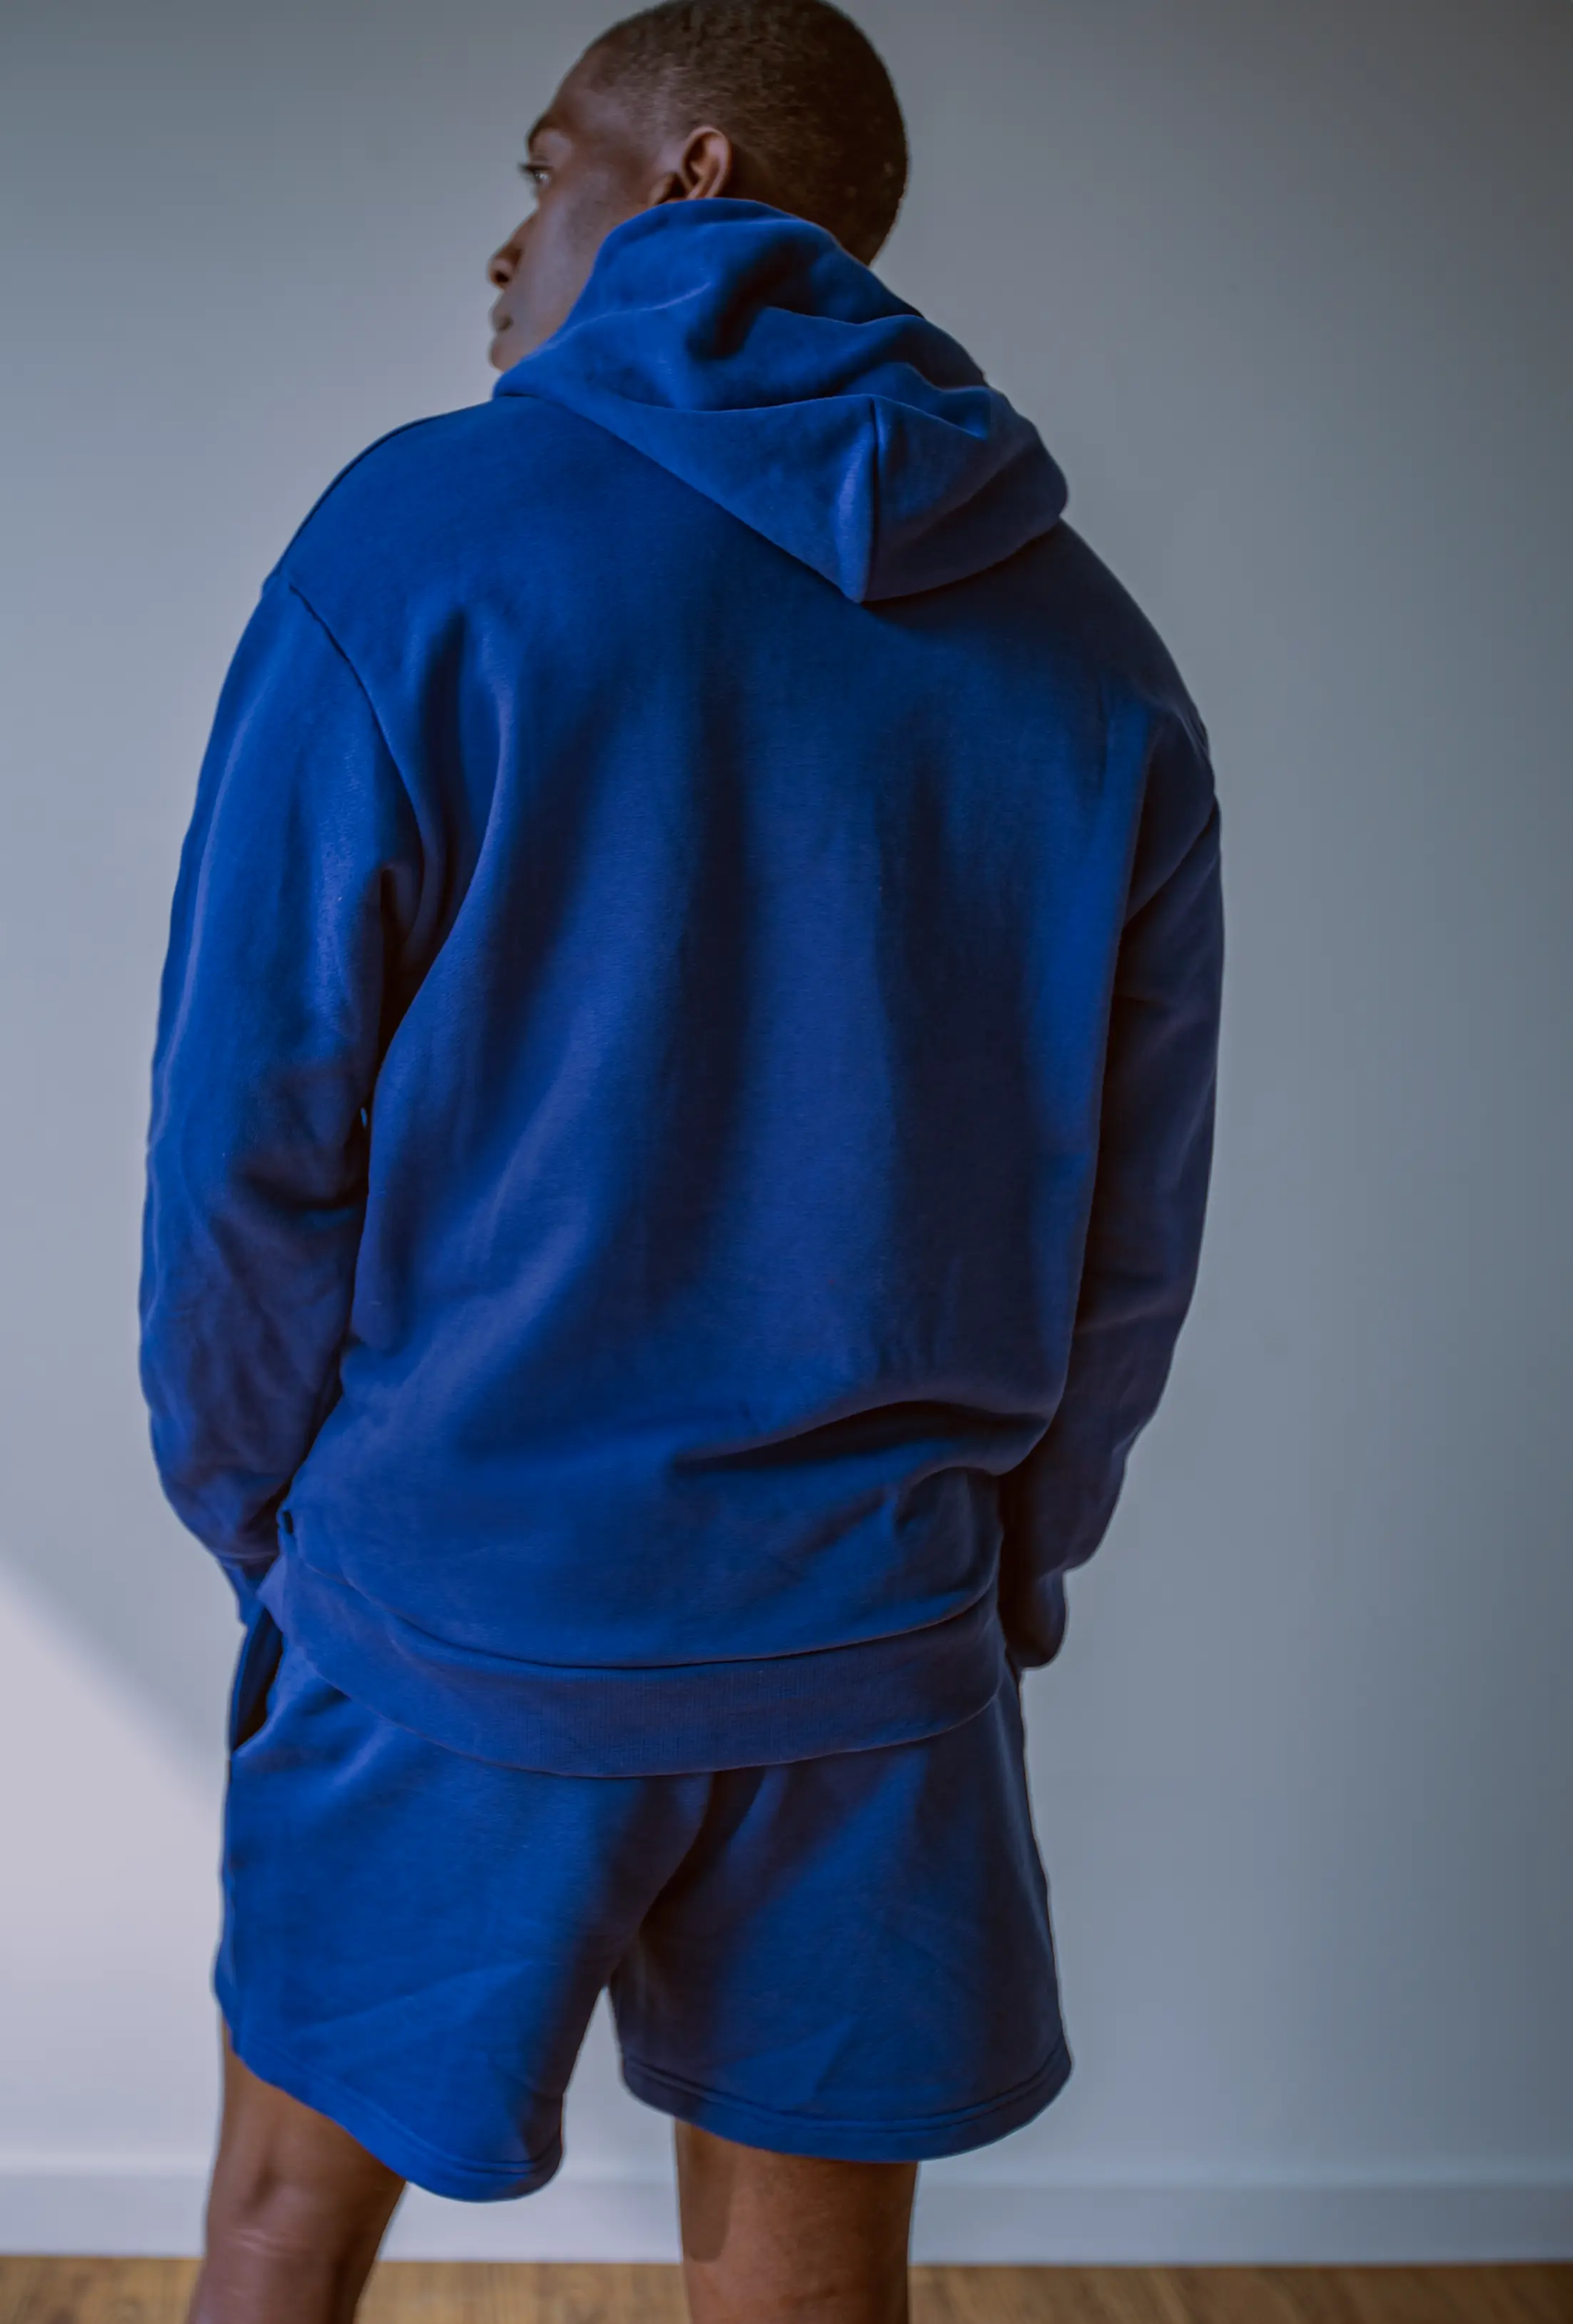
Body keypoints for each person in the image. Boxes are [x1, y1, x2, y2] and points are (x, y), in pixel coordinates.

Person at [138, 1, 1224, 2317]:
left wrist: (280, 1534)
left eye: (547, 170)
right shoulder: (1093, 652)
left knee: (273, 2234)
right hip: (868, 1636)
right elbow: (1131, 1234)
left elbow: (249, 1127)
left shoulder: (421, 538)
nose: (510, 238)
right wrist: (989, 1573)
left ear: (693, 171)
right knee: (812, 2295)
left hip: (465, 1603)